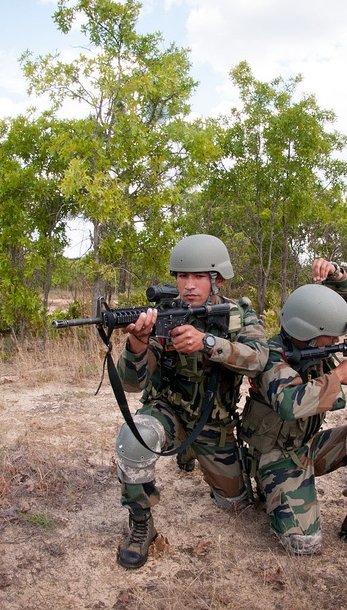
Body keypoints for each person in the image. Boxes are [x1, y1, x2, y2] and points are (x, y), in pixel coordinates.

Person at [114, 234, 269, 569]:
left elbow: (258, 359)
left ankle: (192, 453)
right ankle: (142, 526)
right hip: (166, 411)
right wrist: (139, 343)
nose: (188, 285)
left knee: (236, 506)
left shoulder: (239, 313)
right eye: (182, 276)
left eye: (199, 276)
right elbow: (130, 383)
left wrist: (208, 342)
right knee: (134, 437)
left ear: (219, 279)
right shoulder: (163, 316)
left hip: (215, 425)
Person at [241, 258, 347, 556]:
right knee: (305, 545)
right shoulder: (270, 355)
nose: (338, 339)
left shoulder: (316, 337)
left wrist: (335, 272)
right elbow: (289, 404)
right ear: (308, 333)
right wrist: (337, 377)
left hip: (309, 446)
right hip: (276, 456)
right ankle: (272, 490)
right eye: (332, 335)